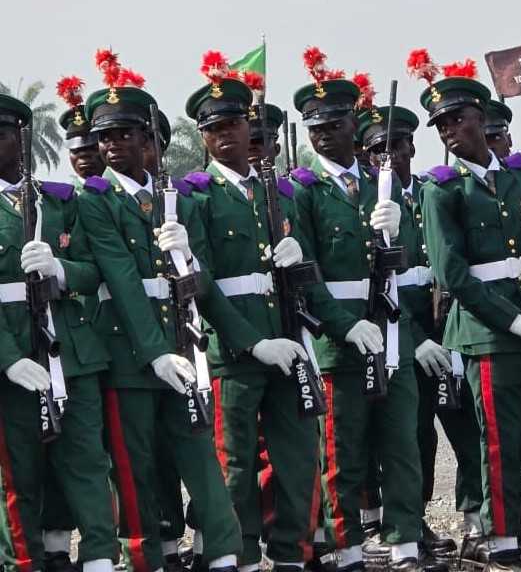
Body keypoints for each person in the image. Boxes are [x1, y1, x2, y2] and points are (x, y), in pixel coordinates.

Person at [76, 55, 244, 572]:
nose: (111, 146)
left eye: (125, 134)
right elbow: (123, 281)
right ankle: (145, 557)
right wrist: (154, 354)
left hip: (184, 343)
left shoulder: (180, 200)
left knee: (200, 455)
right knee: (136, 467)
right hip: (131, 355)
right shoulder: (96, 201)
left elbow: (206, 279)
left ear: (151, 139)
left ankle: (223, 550)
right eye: (105, 138)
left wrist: (188, 257)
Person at [418, 58, 521, 572]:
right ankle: (504, 540)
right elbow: (454, 274)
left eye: (457, 119)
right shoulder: (443, 188)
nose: (450, 131)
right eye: (441, 125)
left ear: (481, 117)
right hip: (491, 334)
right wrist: (514, 321)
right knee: (500, 442)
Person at [290, 52, 436, 572]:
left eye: (335, 124)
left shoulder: (385, 182)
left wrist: (399, 224)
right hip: (339, 341)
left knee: (401, 444)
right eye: (317, 128)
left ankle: (404, 545)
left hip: (391, 328)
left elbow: (414, 254)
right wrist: (346, 327)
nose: (325, 135)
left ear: (356, 123)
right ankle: (348, 547)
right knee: (343, 452)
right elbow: (306, 274)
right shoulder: (302, 190)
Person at [181, 63, 320, 572]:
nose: (224, 137)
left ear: (249, 126)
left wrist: (299, 258)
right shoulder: (197, 195)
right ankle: (232, 554)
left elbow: (311, 274)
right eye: (213, 130)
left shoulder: (283, 192)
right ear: (203, 136)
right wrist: (250, 342)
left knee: (299, 456)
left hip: (288, 338)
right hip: (235, 351)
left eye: (232, 126)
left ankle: (290, 554)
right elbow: (204, 282)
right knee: (234, 464)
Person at [357, 101, 483, 560]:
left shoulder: (434, 190)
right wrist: (416, 339)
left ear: (412, 145)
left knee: (469, 428)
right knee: (411, 438)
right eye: (377, 151)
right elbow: (378, 290)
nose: (389, 157)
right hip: (402, 337)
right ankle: (409, 520)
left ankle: (477, 518)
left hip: (450, 330)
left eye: (397, 145)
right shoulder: (369, 204)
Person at [0, 93, 119, 572]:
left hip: (72, 350)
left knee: (88, 463)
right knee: (19, 476)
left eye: (4, 136)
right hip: (13, 359)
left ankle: (99, 560)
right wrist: (7, 359)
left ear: (22, 142)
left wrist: (61, 268)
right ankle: (24, 563)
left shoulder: (60, 201)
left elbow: (95, 272)